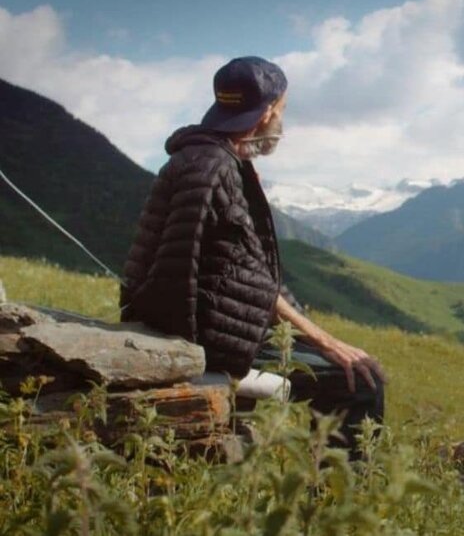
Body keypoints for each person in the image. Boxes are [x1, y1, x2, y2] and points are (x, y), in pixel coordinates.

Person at [120, 56, 385, 455]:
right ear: (266, 113)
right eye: (282, 109)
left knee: (346, 367)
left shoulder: (203, 158)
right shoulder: (215, 168)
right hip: (207, 337)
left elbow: (236, 265)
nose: (281, 119)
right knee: (361, 381)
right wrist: (324, 340)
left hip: (204, 324)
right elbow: (250, 277)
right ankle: (341, 505)